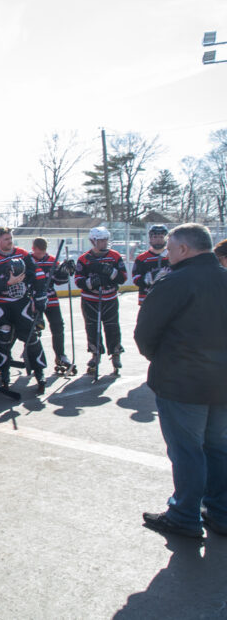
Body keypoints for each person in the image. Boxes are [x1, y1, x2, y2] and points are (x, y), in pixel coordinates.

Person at [135, 223, 227, 540]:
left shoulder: (174, 282)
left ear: (185, 249)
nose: (168, 254)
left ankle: (185, 515)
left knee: (188, 451)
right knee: (218, 447)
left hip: (182, 382)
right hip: (221, 383)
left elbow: (145, 334)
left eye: (171, 248)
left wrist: (161, 360)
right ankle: (220, 511)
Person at [0, 227, 46, 394]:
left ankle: (39, 372)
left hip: (22, 303)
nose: (9, 241)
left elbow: (38, 274)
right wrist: (7, 283)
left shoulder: (23, 254)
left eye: (10, 238)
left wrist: (39, 295)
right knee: (2, 339)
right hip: (1, 305)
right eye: (5, 239)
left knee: (31, 337)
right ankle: (4, 374)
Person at [74, 226, 128, 375]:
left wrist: (111, 272)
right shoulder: (84, 259)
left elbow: (123, 277)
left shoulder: (115, 256)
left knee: (112, 326)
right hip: (90, 300)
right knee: (92, 327)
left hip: (109, 298)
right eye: (101, 240)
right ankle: (95, 354)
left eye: (106, 240)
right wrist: (91, 282)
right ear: (93, 241)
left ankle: (115, 353)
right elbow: (78, 280)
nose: (104, 243)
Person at [30, 237, 73, 373]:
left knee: (58, 325)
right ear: (33, 249)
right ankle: (33, 357)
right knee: (34, 327)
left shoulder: (52, 261)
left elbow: (59, 281)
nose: (41, 254)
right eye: (38, 252)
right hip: (34, 300)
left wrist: (64, 272)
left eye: (43, 252)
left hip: (51, 298)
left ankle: (60, 355)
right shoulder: (28, 260)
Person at [132, 224, 170, 305]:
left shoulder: (172, 256)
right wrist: (149, 278)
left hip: (168, 298)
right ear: (150, 238)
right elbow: (135, 279)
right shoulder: (141, 258)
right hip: (146, 299)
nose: (158, 240)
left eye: (161, 237)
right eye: (155, 237)